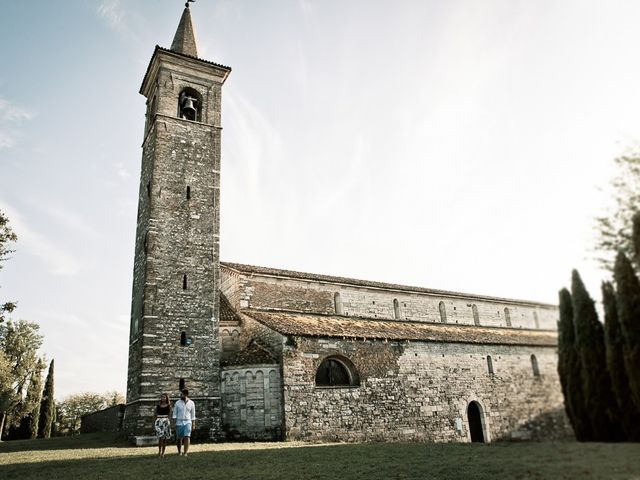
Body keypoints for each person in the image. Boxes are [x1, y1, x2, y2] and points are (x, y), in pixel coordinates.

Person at [172, 388, 196, 456]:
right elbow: (174, 414)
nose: (180, 395)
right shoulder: (177, 403)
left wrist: (193, 423)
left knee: (187, 437)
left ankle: (185, 452)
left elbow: (193, 415)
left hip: (188, 422)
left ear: (186, 394)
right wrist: (174, 423)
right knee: (179, 438)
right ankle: (179, 451)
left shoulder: (191, 403)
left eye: (182, 394)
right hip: (179, 422)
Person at [153, 393, 172, 458]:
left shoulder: (169, 406)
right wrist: (155, 422)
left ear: (166, 398)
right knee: (160, 438)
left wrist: (168, 423)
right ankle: (159, 452)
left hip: (166, 422)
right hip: (159, 421)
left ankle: (163, 453)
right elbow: (155, 414)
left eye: (164, 397)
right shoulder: (158, 406)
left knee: (164, 438)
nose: (163, 398)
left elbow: (169, 415)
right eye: (162, 397)